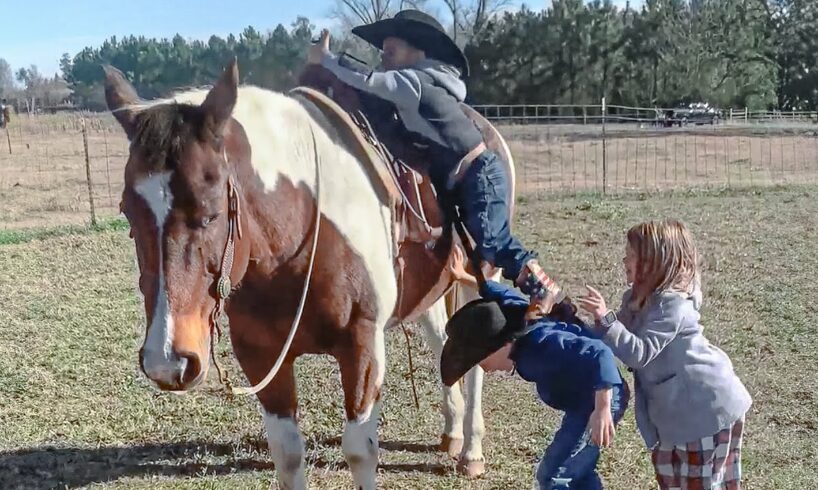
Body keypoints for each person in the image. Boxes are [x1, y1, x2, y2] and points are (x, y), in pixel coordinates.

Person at [305, 10, 563, 321]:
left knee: (491, 238)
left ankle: (542, 286)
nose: (384, 60)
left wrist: (328, 59)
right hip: (462, 176)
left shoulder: (412, 82)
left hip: (478, 175)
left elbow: (370, 80)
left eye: (391, 52)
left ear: (417, 53)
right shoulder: (420, 82)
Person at [578, 219, 751, 490]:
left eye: (632, 255)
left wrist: (606, 319)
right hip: (673, 417)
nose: (625, 260)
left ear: (654, 263)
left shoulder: (673, 306)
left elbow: (639, 352)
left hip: (705, 411)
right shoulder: (635, 299)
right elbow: (615, 338)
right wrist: (577, 325)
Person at [442, 246, 629, 489]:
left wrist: (602, 408)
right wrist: (464, 277)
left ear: (503, 343)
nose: (484, 369)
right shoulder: (515, 316)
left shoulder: (540, 344)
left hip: (599, 396)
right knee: (575, 470)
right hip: (585, 399)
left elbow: (599, 352)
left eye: (481, 359)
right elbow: (495, 291)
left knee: (553, 475)